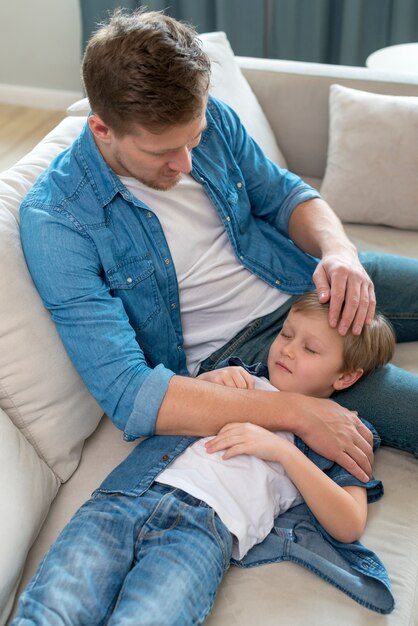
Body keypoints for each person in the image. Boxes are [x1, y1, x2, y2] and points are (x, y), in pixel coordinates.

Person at [20, 9, 418, 486]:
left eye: (195, 139)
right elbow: (130, 392)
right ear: (101, 128)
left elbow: (284, 194)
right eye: (163, 152)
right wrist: (298, 411)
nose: (186, 163)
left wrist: (339, 252)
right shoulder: (58, 221)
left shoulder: (209, 119)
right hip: (247, 349)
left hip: (299, 276)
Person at [12, 293, 396, 625]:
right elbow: (159, 411)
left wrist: (281, 450)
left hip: (203, 530)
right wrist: (205, 385)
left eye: (310, 349)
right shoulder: (237, 376)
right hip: (127, 498)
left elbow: (348, 522)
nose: (288, 349)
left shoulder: (342, 433)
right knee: (55, 608)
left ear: (345, 377)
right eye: (286, 334)